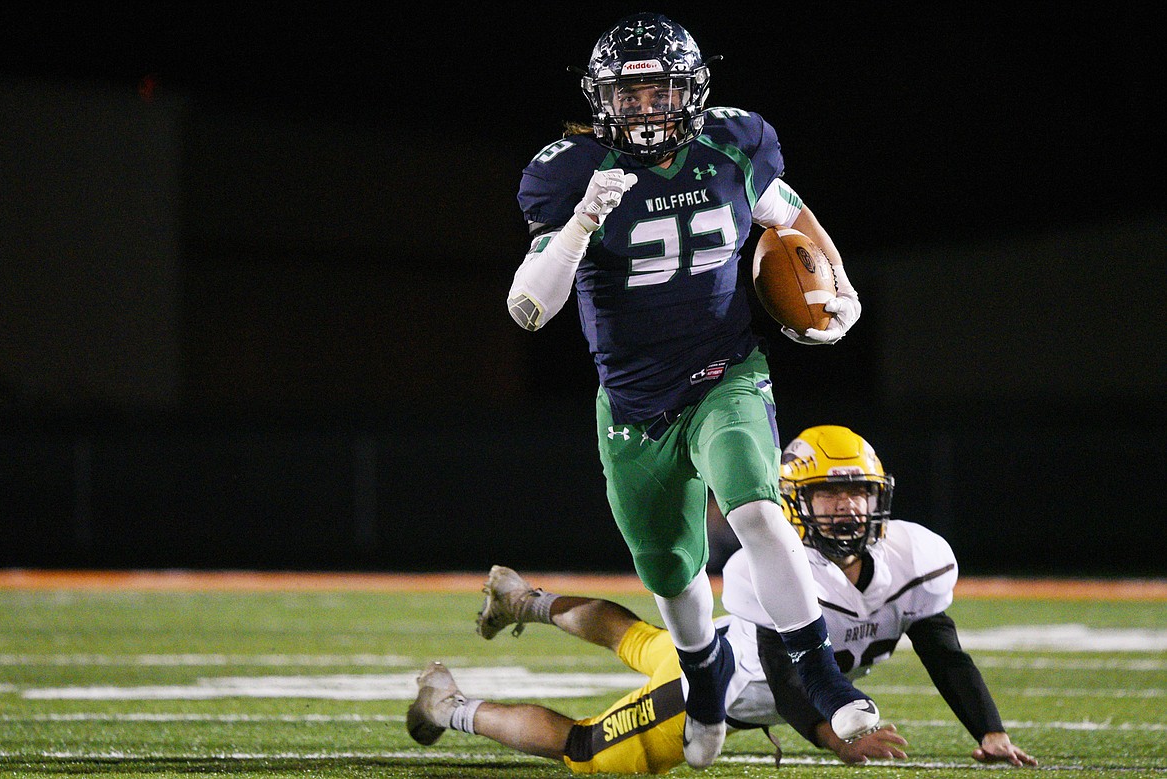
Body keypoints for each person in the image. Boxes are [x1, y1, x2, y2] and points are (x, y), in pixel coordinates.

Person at [505, 11, 871, 767]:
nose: (645, 108)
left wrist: (841, 285)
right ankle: (704, 682)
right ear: (603, 99)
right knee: (670, 574)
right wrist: (579, 225)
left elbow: (790, 215)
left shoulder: (733, 143)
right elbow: (528, 307)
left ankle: (824, 676)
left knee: (759, 510)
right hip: (636, 406)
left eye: (659, 90)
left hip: (725, 372)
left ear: (692, 91)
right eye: (629, 94)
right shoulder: (569, 172)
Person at [720, 425, 1037, 767]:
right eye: (829, 493)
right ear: (795, 502)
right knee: (655, 753)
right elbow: (787, 682)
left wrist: (991, 733)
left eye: (859, 491)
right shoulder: (774, 567)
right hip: (712, 691)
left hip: (779, 705)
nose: (848, 506)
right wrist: (840, 741)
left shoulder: (910, 558)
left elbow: (945, 658)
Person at [406, 565, 909, 774]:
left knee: (632, 635)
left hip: (704, 647)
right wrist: (834, 736)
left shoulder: (899, 571)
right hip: (701, 694)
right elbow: (787, 677)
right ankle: (445, 705)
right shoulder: (887, 575)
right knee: (583, 747)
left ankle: (523, 601)